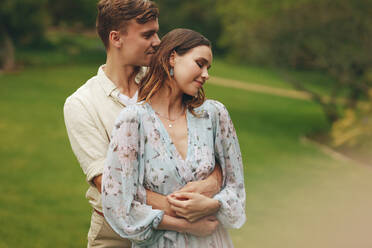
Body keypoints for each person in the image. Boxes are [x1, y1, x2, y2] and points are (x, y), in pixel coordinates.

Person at [64, 1, 222, 247]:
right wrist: (185, 212)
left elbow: (211, 149)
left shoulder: (168, 84)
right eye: (147, 34)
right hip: (117, 235)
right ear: (116, 38)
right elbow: (110, 185)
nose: (158, 41)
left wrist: (210, 185)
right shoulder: (82, 104)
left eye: (156, 32)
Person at [102, 28, 246, 247]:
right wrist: (186, 224)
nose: (206, 74)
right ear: (172, 58)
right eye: (200, 64)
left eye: (208, 67)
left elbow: (235, 184)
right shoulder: (133, 120)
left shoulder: (214, 115)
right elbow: (118, 203)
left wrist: (213, 205)